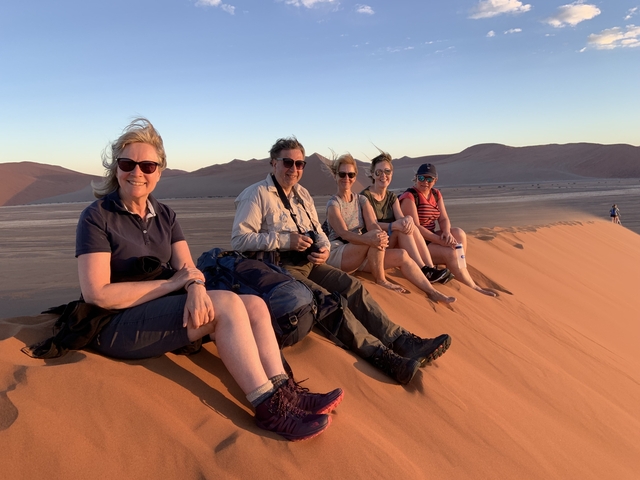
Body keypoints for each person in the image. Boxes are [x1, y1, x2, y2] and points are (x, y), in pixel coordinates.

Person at [73, 119, 341, 442]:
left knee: (254, 305)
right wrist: (175, 285)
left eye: (147, 165)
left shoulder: (165, 215)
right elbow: (97, 294)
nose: (137, 173)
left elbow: (188, 268)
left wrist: (196, 286)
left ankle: (287, 392)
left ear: (159, 171)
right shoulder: (97, 216)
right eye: (128, 163)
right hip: (115, 324)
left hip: (160, 309)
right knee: (226, 305)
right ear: (116, 168)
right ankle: (270, 407)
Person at [231, 137, 452, 386]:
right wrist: (285, 241)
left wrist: (324, 248)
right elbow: (240, 240)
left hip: (311, 261)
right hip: (279, 268)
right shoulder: (257, 194)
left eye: (300, 164)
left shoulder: (302, 194)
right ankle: (383, 357)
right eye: (287, 162)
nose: (294, 169)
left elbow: (318, 230)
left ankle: (403, 341)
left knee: (353, 287)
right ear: (274, 163)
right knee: (330, 304)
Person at [324, 153, 456, 304]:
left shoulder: (361, 199)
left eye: (350, 174)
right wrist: (371, 239)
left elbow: (372, 223)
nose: (346, 178)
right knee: (375, 237)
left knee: (402, 255)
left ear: (355, 176)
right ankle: (381, 280)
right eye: (342, 174)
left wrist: (379, 234)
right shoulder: (333, 204)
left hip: (362, 250)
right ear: (335, 176)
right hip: (340, 252)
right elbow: (344, 234)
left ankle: (433, 291)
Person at [399, 163, 497, 297]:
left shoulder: (436, 194)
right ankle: (472, 287)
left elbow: (444, 219)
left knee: (459, 234)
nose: (425, 182)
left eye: (429, 179)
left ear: (435, 180)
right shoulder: (409, 197)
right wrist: (440, 241)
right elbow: (416, 228)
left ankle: (459, 269)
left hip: (431, 237)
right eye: (422, 178)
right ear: (416, 178)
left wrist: (445, 232)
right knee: (451, 253)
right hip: (417, 244)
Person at [359, 152, 450, 285]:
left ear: (391, 173)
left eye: (387, 171)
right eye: (379, 172)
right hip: (375, 245)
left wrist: (407, 220)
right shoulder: (365, 197)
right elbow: (371, 224)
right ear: (373, 174)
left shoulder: (392, 197)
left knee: (409, 225)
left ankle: (430, 268)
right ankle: (423, 269)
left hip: (390, 240)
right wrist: (394, 226)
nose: (383, 175)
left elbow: (401, 219)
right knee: (403, 229)